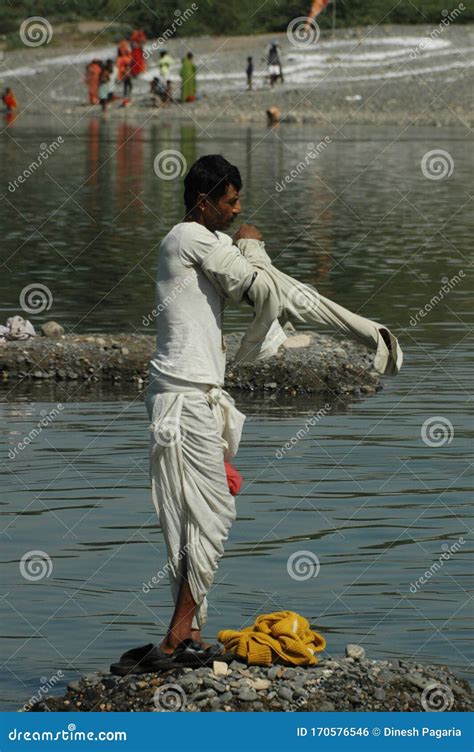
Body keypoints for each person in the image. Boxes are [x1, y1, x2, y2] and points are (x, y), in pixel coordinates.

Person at [145, 154, 402, 662]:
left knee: (197, 521)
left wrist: (363, 328)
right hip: (182, 399)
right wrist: (254, 245)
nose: (239, 208)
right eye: (230, 200)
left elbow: (281, 291)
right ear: (203, 202)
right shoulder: (187, 238)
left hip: (192, 399)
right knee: (212, 515)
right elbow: (259, 287)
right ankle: (177, 637)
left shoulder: (208, 243)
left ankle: (186, 634)